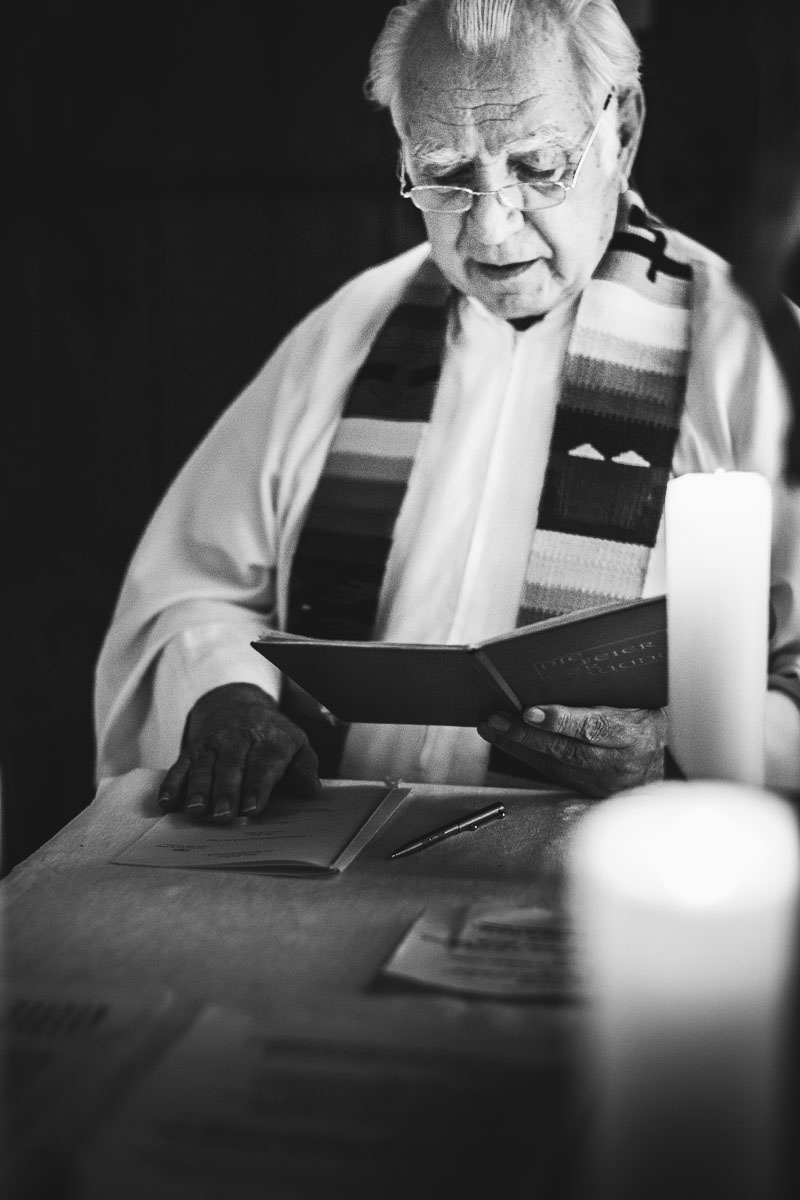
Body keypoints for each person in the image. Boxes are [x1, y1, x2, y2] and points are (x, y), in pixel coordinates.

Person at [94, 0, 800, 822]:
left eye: (537, 166)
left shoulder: (754, 357)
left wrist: (681, 751)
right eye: (445, 172)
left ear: (624, 128)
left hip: (607, 896)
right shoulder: (348, 334)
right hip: (327, 875)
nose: (492, 229)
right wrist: (225, 697)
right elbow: (194, 593)